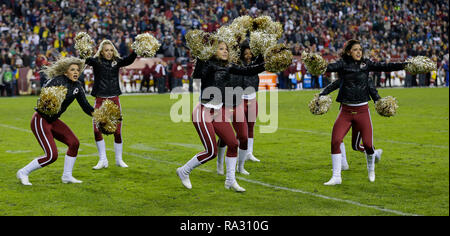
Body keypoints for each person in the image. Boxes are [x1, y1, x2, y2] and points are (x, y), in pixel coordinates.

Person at [176, 41, 264, 192]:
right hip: (203, 111)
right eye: (221, 49)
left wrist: (269, 63)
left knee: (233, 143)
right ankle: (184, 170)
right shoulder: (208, 65)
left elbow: (249, 70)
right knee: (211, 152)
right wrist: (201, 56)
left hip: (218, 112)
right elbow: (197, 76)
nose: (225, 51)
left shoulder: (229, 66)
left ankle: (230, 180)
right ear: (213, 51)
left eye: (226, 49)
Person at [317, 39, 408, 185]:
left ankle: (371, 169)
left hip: (362, 110)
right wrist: (317, 66)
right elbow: (330, 68)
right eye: (355, 50)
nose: (358, 52)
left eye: (360, 49)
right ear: (348, 52)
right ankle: (336, 177)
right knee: (335, 141)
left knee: (367, 145)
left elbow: (385, 67)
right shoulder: (343, 64)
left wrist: (404, 65)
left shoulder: (366, 64)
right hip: (345, 111)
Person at [16, 57, 95, 185]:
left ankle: (67, 176)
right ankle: (23, 172)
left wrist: (100, 116)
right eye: (72, 70)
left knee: (74, 143)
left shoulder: (78, 86)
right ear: (65, 72)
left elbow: (86, 106)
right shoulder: (56, 80)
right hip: (40, 120)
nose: (76, 72)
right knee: (51, 155)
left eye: (77, 70)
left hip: (54, 121)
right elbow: (43, 98)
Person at [84, 40, 137, 169]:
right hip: (100, 100)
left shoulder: (117, 61)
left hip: (114, 99)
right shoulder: (96, 61)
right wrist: (83, 49)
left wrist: (136, 50)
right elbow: (87, 59)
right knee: (97, 130)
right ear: (102, 51)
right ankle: (103, 160)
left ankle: (119, 160)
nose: (109, 52)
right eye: (106, 50)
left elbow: (128, 60)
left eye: (111, 50)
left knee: (117, 132)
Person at [217, 41, 262, 177]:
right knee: (226, 137)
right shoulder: (224, 66)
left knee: (243, 136)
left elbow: (251, 69)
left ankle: (240, 166)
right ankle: (219, 163)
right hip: (225, 104)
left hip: (238, 102)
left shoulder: (239, 67)